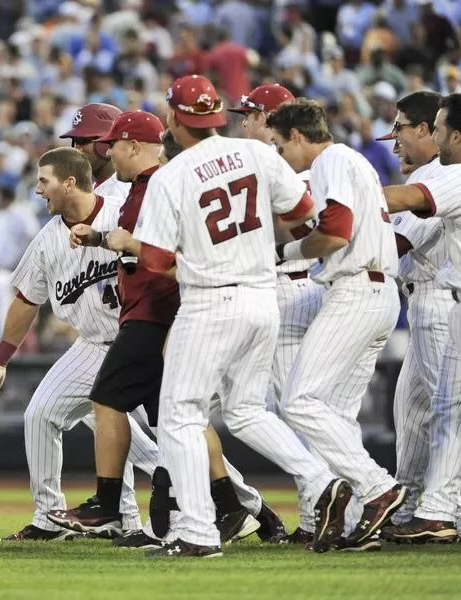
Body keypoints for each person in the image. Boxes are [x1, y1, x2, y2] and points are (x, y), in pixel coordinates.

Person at [46, 112, 286, 547]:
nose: (108, 150)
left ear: (134, 145)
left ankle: (106, 503)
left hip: (157, 312)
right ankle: (234, 507)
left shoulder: (163, 182)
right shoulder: (150, 185)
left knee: (107, 397)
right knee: (182, 419)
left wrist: (113, 242)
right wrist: (103, 239)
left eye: (114, 143)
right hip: (165, 310)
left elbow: (168, 252)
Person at [131, 74, 343, 559]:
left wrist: (201, 254)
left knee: (180, 416)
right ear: (216, 116)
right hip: (262, 296)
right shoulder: (258, 154)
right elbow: (305, 211)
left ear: (174, 118)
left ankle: (198, 532)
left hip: (211, 299)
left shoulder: (171, 175)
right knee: (247, 411)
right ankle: (321, 478)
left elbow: (156, 261)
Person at [0, 147, 158, 541]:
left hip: (143, 336)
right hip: (93, 344)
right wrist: (0, 362)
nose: (38, 189)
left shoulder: (121, 213)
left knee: (164, 431)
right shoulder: (46, 241)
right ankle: (49, 519)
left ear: (69, 182)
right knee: (40, 415)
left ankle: (241, 502)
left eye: (44, 181)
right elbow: (26, 301)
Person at [269, 99, 406, 552]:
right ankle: (351, 521)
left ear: (295, 135)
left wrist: (281, 255)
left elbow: (335, 231)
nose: (279, 153)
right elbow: (322, 225)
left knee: (299, 400)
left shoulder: (330, 159)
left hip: (355, 289)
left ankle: (377, 486)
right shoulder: (352, 160)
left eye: (278, 142)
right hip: (377, 291)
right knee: (338, 417)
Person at [228, 83, 333, 544]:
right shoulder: (266, 167)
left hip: (288, 289)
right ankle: (247, 505)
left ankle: (318, 516)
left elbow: (308, 222)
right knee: (231, 408)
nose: (242, 123)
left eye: (249, 116)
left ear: (272, 120)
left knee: (295, 410)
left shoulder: (296, 171)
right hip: (265, 292)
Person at [380, 93, 461, 543]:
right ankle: (418, 504)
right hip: (434, 301)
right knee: (418, 411)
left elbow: (407, 210)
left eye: (442, 127)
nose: (395, 140)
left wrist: (340, 197)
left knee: (449, 413)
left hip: (440, 300)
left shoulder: (449, 175)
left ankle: (439, 510)